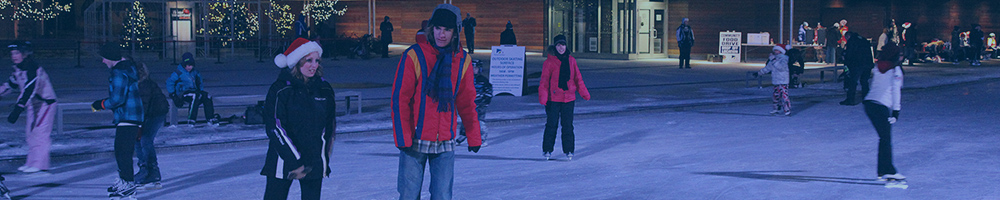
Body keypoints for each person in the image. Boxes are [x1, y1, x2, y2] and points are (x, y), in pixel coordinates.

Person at [392, 4, 481, 200]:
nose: (442, 34)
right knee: (409, 195)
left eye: (447, 30)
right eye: (438, 28)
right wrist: (403, 137)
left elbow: (467, 102)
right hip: (415, 139)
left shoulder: (462, 60)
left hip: (445, 140)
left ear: (456, 32)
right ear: (431, 29)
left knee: (442, 195)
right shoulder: (414, 55)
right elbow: (400, 99)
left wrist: (473, 135)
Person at [262, 38, 336, 200]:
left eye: (317, 61)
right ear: (297, 62)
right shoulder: (281, 89)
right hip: (283, 160)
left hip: (313, 161)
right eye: (308, 60)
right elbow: (275, 127)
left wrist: (324, 158)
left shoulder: (324, 90)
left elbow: (329, 128)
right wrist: (296, 161)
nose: (314, 65)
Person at [92, 42, 144, 199]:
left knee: (123, 153)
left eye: (104, 58)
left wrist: (99, 104)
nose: (103, 61)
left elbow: (117, 99)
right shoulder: (126, 69)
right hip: (131, 116)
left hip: (128, 116)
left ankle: (128, 185)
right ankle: (124, 181)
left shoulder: (119, 73)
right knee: (121, 152)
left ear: (110, 57)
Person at [0, 41, 56, 174]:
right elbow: (10, 85)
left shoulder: (32, 68)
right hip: (33, 104)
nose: (14, 56)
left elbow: (29, 89)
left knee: (40, 134)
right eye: (12, 53)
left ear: (25, 54)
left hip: (45, 104)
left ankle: (40, 164)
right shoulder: (19, 69)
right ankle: (31, 162)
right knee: (30, 134)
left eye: (17, 53)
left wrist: (18, 108)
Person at [539, 34, 591, 160]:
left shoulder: (571, 61)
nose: (561, 48)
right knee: (551, 125)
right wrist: (543, 97)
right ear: (554, 46)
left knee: (568, 125)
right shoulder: (549, 62)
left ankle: (569, 150)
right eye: (558, 45)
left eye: (563, 45)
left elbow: (578, 78)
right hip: (553, 99)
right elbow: (544, 82)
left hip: (569, 98)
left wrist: (584, 93)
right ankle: (547, 150)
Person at [864, 43, 905, 183]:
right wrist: (896, 112)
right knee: (886, 139)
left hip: (869, 104)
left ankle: (882, 171)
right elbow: (895, 92)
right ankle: (889, 171)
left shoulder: (878, 66)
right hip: (881, 106)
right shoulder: (895, 71)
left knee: (884, 138)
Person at [131, 57, 169, 190]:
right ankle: (149, 171)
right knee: (139, 140)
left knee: (145, 139)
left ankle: (148, 171)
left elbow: (144, 106)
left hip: (157, 114)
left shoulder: (143, 85)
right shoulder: (136, 84)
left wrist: (139, 125)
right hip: (149, 114)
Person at [166, 53, 219, 126]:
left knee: (207, 96)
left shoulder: (195, 72)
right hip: (182, 93)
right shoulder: (178, 73)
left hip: (194, 91)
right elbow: (170, 82)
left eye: (191, 65)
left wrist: (201, 91)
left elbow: (199, 82)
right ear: (184, 65)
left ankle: (210, 118)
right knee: (195, 96)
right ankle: (191, 119)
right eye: (188, 65)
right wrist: (173, 94)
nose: (189, 67)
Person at [456, 60, 493, 146]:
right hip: (468, 104)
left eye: (475, 68)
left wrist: (486, 101)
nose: (473, 70)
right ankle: (463, 135)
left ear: (479, 69)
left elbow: (488, 92)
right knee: (465, 120)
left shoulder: (483, 80)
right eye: (471, 68)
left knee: (479, 122)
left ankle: (482, 138)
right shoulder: (465, 79)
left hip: (480, 104)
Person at [753, 45, 790, 116]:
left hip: (783, 81)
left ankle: (787, 110)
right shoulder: (773, 59)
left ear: (781, 51)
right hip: (776, 81)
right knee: (776, 96)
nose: (775, 51)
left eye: (777, 50)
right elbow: (768, 68)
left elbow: (781, 68)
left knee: (784, 96)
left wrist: (773, 60)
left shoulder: (784, 59)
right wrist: (759, 73)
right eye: (775, 50)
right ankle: (776, 109)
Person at [841, 32, 874, 106]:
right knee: (864, 82)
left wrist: (846, 60)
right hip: (867, 64)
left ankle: (850, 99)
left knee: (853, 82)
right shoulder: (863, 40)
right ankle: (866, 98)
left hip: (857, 64)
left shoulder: (852, 41)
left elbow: (850, 53)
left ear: (848, 36)